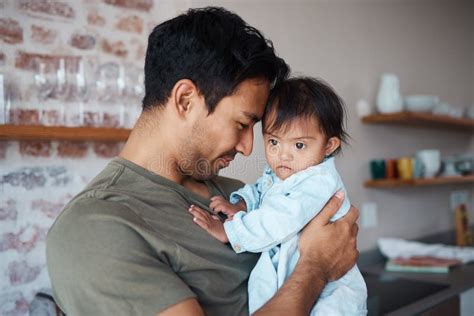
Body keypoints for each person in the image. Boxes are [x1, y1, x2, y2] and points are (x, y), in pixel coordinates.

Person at [46, 7, 359, 316]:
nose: (249, 148)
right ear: (185, 101)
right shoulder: (96, 226)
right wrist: (316, 270)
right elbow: (319, 258)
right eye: (241, 123)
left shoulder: (236, 195)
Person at [189, 77, 368, 315]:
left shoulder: (318, 181)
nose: (283, 155)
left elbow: (283, 216)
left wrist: (231, 231)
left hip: (333, 292)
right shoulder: (284, 174)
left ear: (329, 146)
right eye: (274, 141)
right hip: (297, 276)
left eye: (299, 146)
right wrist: (241, 204)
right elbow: (263, 190)